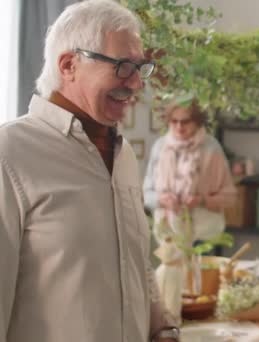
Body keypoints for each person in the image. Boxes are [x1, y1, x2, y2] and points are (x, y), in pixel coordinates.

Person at [0, 1, 181, 341]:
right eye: (123, 67)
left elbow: (136, 262)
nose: (137, 85)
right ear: (69, 65)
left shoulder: (123, 154)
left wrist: (162, 326)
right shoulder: (9, 154)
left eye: (140, 69)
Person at [143, 99, 236, 318]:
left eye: (185, 121)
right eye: (173, 122)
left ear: (197, 122)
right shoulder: (160, 147)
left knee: (200, 297)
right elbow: (146, 192)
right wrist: (162, 199)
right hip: (168, 236)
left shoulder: (211, 148)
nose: (179, 127)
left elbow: (230, 197)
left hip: (203, 235)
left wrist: (202, 200)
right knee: (168, 297)